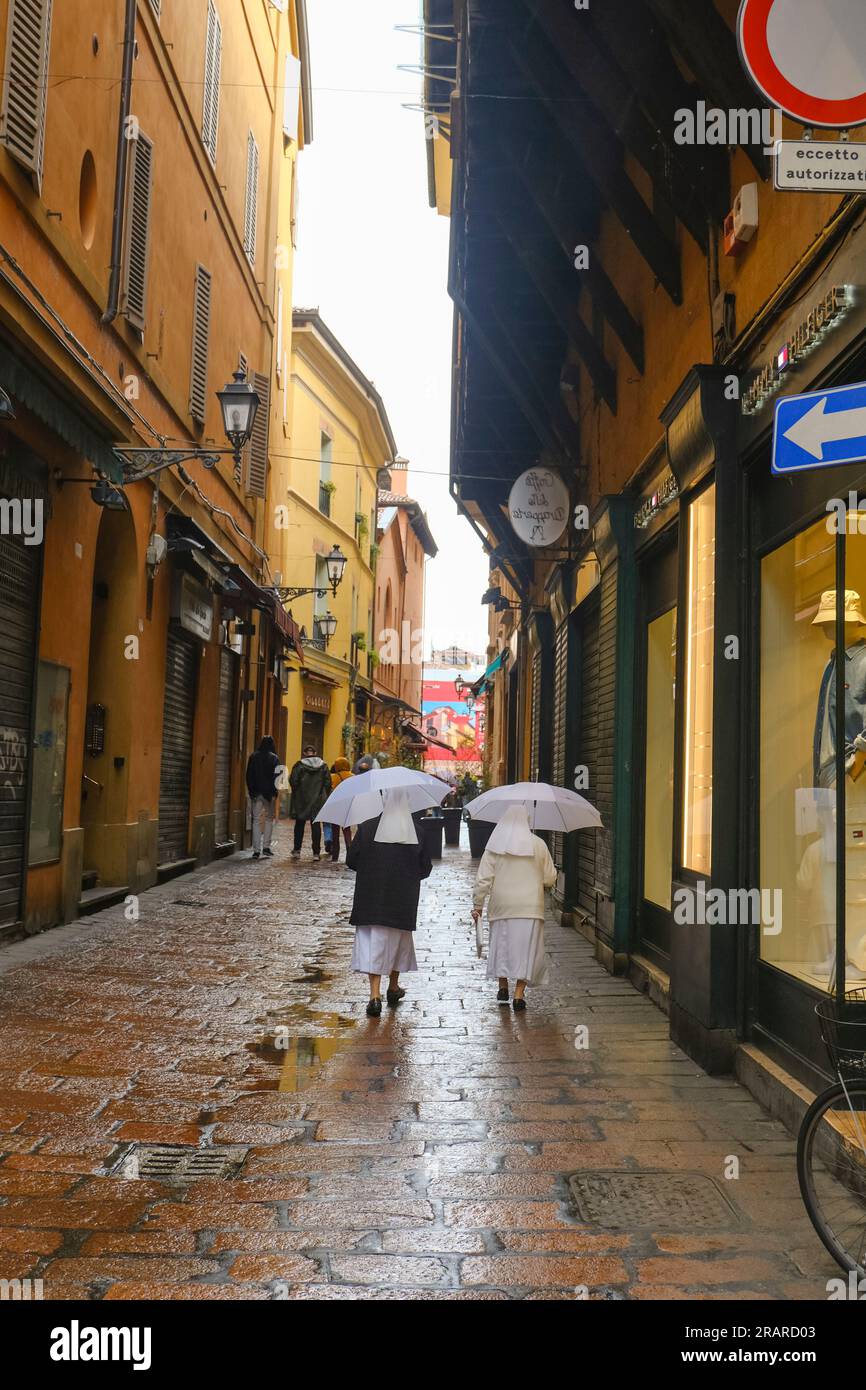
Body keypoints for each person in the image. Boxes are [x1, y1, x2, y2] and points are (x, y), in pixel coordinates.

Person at [346, 788, 432, 1017]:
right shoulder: (418, 832)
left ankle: (375, 995)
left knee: (372, 945)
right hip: (402, 899)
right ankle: (393, 987)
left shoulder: (367, 828)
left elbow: (351, 860)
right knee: (397, 944)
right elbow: (426, 868)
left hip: (371, 896)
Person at [471, 804, 556, 1011]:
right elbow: (550, 878)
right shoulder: (539, 844)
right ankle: (519, 994)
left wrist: (478, 904)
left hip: (502, 906)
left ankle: (502, 986)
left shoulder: (495, 845)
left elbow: (483, 879)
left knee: (502, 947)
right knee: (526, 951)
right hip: (530, 907)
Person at [289, 745, 331, 860]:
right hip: (317, 800)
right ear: (315, 752)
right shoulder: (323, 766)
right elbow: (328, 783)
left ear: (304, 753)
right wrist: (321, 794)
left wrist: (298, 792)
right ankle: (316, 853)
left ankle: (297, 850)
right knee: (316, 825)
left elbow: (293, 781)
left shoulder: (299, 765)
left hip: (301, 799)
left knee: (299, 825)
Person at [245, 735, 280, 860]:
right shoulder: (274, 758)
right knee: (269, 820)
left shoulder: (253, 757)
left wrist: (252, 791)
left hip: (256, 793)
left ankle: (256, 850)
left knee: (255, 820)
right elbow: (277, 777)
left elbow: (248, 775)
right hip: (269, 794)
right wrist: (275, 792)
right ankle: (266, 847)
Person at [328, 756, 354, 862]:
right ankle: (349, 851)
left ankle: (335, 855)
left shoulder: (333, 777)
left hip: (336, 806)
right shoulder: (353, 776)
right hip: (348, 805)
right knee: (347, 831)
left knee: (335, 831)